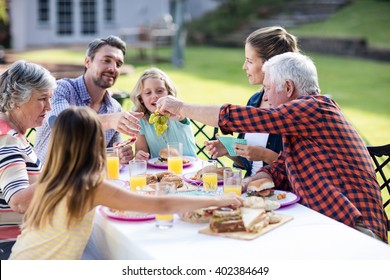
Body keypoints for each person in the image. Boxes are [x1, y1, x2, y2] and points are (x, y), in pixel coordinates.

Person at [156, 52, 388, 243]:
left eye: (267, 88)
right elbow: (281, 166)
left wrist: (181, 107)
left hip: (357, 230)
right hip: (326, 222)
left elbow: (243, 118)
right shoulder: (302, 120)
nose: (264, 96)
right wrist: (247, 183)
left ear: (287, 87)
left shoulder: (313, 108)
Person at [9, 106, 242, 259]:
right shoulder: (89, 187)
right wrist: (218, 199)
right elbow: (161, 205)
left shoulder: (55, 178)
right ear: (96, 140)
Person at [206, 26, 299, 177]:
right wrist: (228, 149)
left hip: (282, 196)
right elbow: (249, 163)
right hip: (251, 190)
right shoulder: (255, 100)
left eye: (249, 61)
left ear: (270, 65)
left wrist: (264, 155)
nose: (244, 67)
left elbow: (298, 170)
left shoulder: (292, 109)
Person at [35, 35, 142, 165]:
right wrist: (108, 121)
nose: (113, 68)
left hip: (87, 180)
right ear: (88, 62)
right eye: (106, 60)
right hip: (49, 180)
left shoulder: (114, 107)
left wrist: (120, 155)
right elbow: (60, 124)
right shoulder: (62, 89)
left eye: (118, 64)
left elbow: (111, 154)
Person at [0, 60, 57, 260]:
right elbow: (20, 201)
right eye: (42, 99)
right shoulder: (7, 139)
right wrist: (67, 173)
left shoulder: (12, 132)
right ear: (16, 98)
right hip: (12, 248)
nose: (49, 107)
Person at [130, 67, 196, 160]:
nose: (154, 96)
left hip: (190, 166)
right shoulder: (141, 121)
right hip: (159, 170)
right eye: (148, 93)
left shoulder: (177, 112)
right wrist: (140, 155)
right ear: (141, 99)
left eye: (160, 91)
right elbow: (141, 150)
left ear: (168, 93)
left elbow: (182, 117)